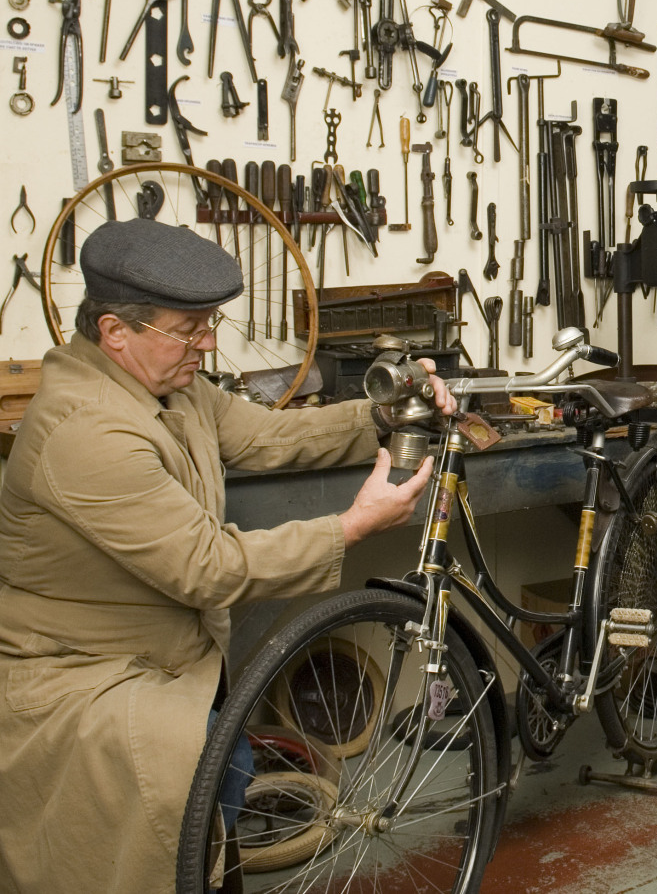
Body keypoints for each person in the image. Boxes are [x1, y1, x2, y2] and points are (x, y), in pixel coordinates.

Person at [0, 218, 454, 893]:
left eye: (209, 322)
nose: (208, 343)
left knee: (226, 765)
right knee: (204, 773)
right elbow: (210, 566)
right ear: (114, 332)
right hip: (81, 680)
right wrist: (351, 526)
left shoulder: (169, 388)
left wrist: (383, 414)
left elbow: (269, 438)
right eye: (189, 329)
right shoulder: (85, 431)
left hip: (162, 660)